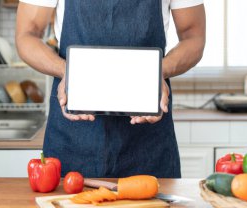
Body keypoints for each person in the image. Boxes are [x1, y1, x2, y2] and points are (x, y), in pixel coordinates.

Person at [16, 0, 205, 178]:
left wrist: (155, 73)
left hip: (147, 141)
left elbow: (193, 37)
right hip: (73, 138)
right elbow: (26, 35)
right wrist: (70, 72)